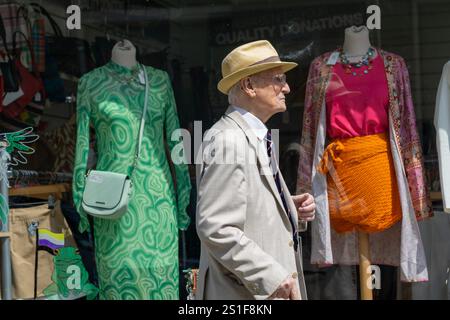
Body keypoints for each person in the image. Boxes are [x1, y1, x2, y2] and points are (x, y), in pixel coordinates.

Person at [195, 40, 315, 300]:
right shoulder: (228, 140)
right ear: (248, 86)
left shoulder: (252, 135)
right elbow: (216, 228)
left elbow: (242, 206)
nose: (287, 87)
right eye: (277, 79)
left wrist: (288, 207)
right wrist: (271, 276)